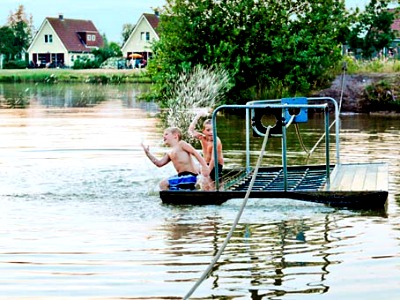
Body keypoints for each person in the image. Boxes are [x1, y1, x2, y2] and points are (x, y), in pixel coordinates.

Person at [142, 127, 209, 191]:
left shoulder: (181, 144)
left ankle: (170, 199)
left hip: (189, 176)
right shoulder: (170, 152)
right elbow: (159, 163)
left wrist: (204, 166)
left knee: (163, 184)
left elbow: (195, 153)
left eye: (166, 134)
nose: (164, 136)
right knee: (167, 185)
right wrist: (148, 154)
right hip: (181, 177)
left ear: (175, 136)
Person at [188, 110, 224, 183]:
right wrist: (198, 116)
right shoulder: (202, 138)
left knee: (209, 181)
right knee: (193, 171)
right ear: (203, 131)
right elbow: (190, 131)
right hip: (206, 163)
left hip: (216, 165)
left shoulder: (216, 141)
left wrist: (207, 174)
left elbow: (214, 159)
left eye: (213, 130)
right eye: (208, 130)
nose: (211, 132)